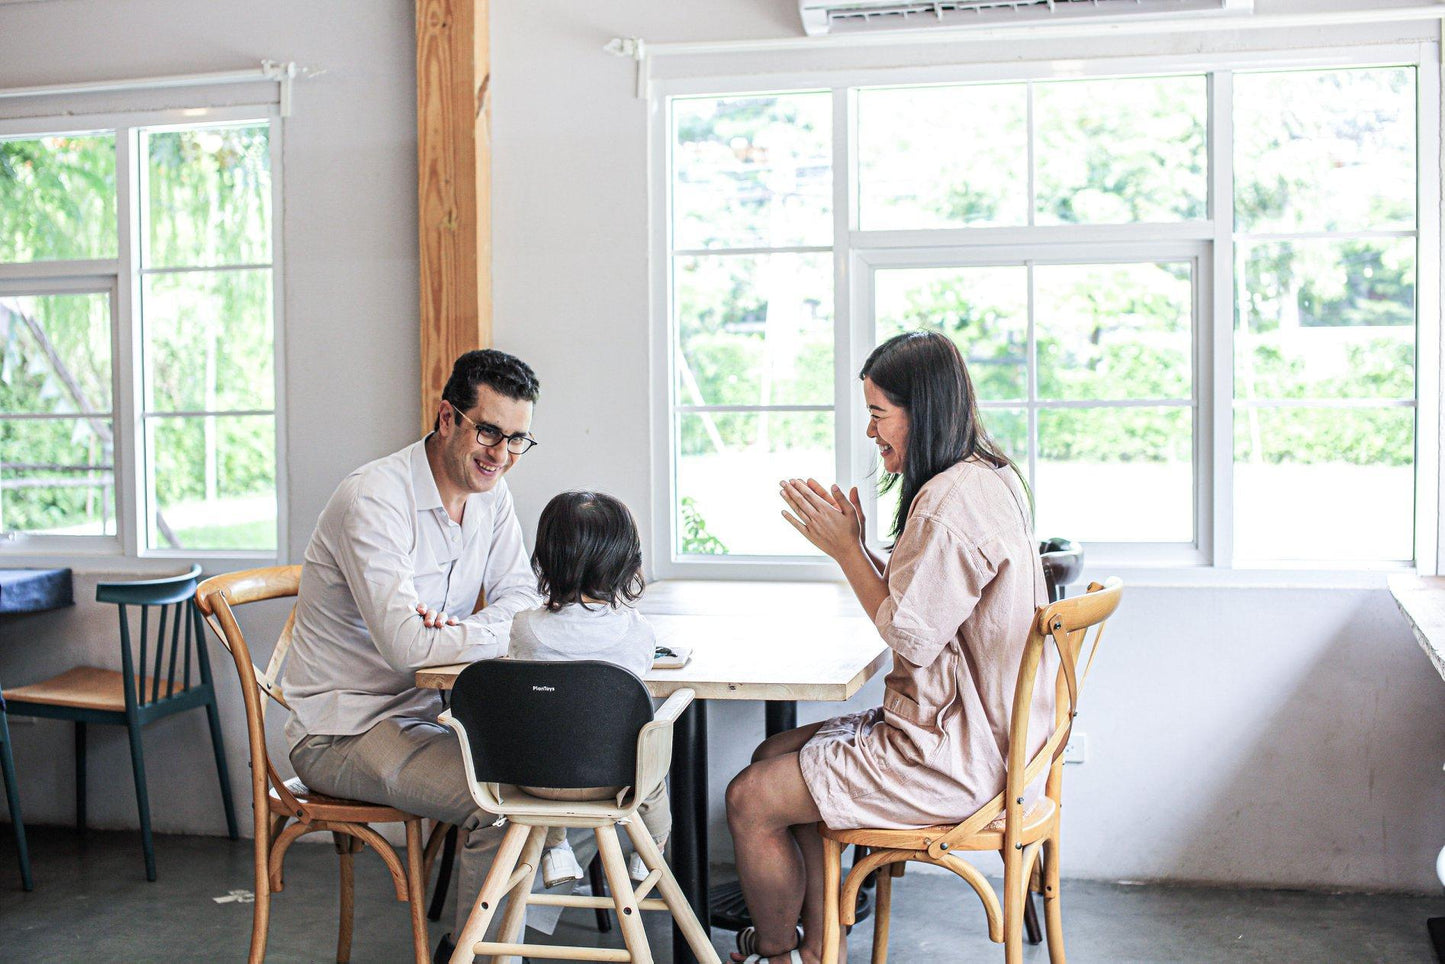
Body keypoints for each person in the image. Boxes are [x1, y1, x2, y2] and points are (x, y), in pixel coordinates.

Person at [724, 331, 1050, 964]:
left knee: (749, 797)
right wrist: (859, 544)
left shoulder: (948, 502)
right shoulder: (986, 477)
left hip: (958, 757)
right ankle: (821, 947)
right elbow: (932, 600)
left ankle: (776, 952)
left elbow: (910, 634)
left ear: (920, 411)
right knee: (772, 752)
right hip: (1002, 742)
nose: (871, 432)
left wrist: (846, 549)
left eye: (878, 414)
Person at [280, 348, 542, 961]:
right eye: (489, 432)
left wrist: (460, 628)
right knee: (506, 806)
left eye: (517, 440)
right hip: (342, 730)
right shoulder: (374, 498)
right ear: (448, 417)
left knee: (567, 780)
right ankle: (478, 955)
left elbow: (523, 600)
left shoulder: (491, 495)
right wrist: (487, 628)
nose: (500, 455)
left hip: (429, 716)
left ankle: (476, 947)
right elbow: (405, 648)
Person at [506, 490, 671, 888]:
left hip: (533, 780)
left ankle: (557, 848)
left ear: (545, 559)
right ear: (626, 562)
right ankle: (649, 850)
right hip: (616, 780)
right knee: (651, 758)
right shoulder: (637, 631)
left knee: (553, 730)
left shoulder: (524, 626)